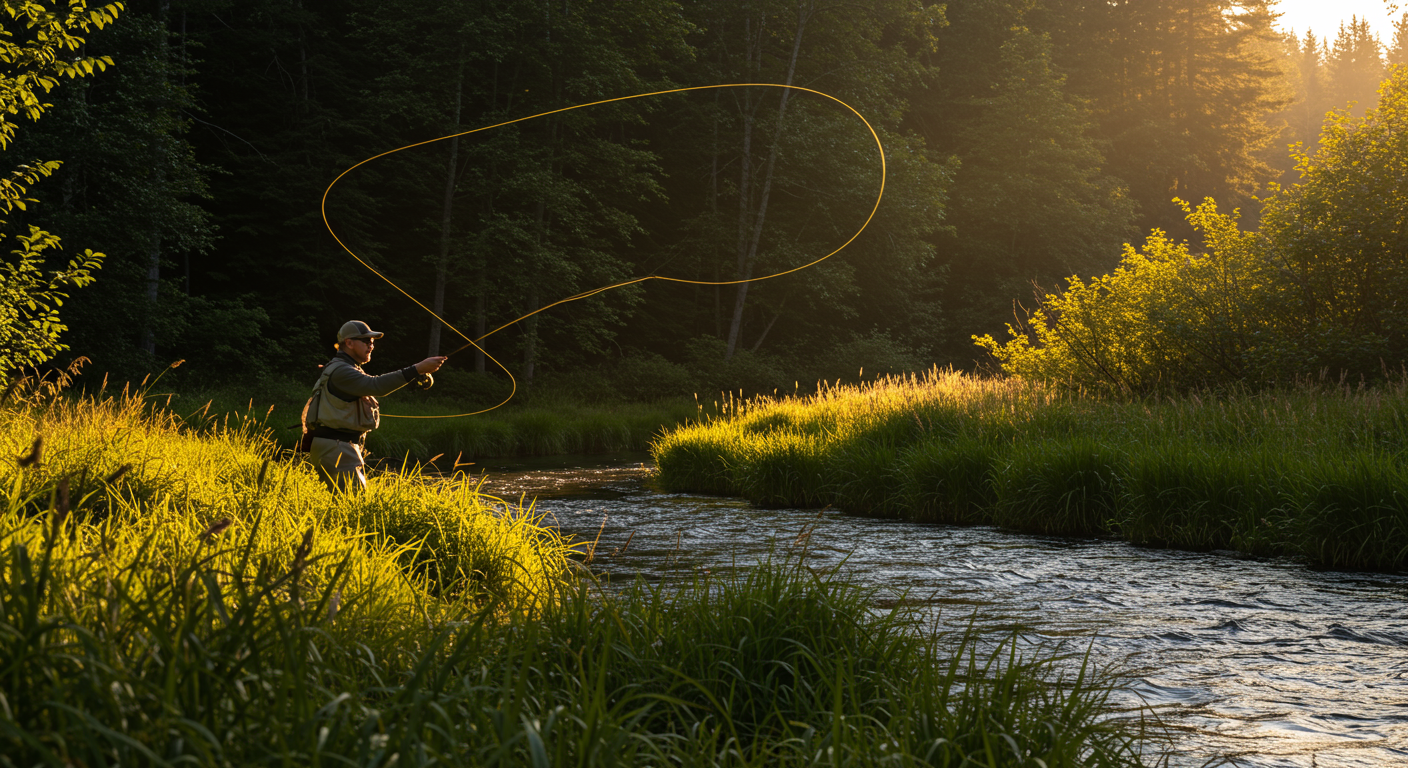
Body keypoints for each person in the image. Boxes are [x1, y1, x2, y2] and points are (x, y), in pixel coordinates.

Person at [305, 320, 446, 492]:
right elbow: (376, 385)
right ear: (348, 342)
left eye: (372, 342)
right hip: (336, 447)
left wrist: (415, 372)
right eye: (366, 341)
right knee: (354, 506)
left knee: (348, 506)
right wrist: (416, 369)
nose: (371, 346)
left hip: (339, 447)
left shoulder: (346, 368)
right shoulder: (342, 370)